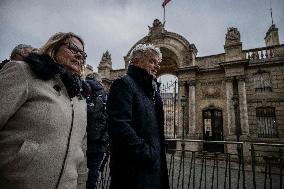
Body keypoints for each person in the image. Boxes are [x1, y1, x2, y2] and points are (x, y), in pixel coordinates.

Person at [0, 32, 88, 189]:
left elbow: (80, 151)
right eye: (73, 49)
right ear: (53, 47)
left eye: (83, 54)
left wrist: (80, 183)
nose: (79, 56)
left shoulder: (79, 98)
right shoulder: (23, 72)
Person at [107, 43, 170, 189]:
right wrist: (148, 153)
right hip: (133, 171)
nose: (157, 66)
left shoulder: (153, 91)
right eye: (152, 61)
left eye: (158, 63)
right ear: (136, 61)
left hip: (152, 168)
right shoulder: (123, 84)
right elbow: (119, 126)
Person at [85, 72, 109, 189]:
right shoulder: (104, 94)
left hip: (79, 140)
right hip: (97, 143)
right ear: (99, 81)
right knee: (92, 176)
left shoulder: (78, 88)